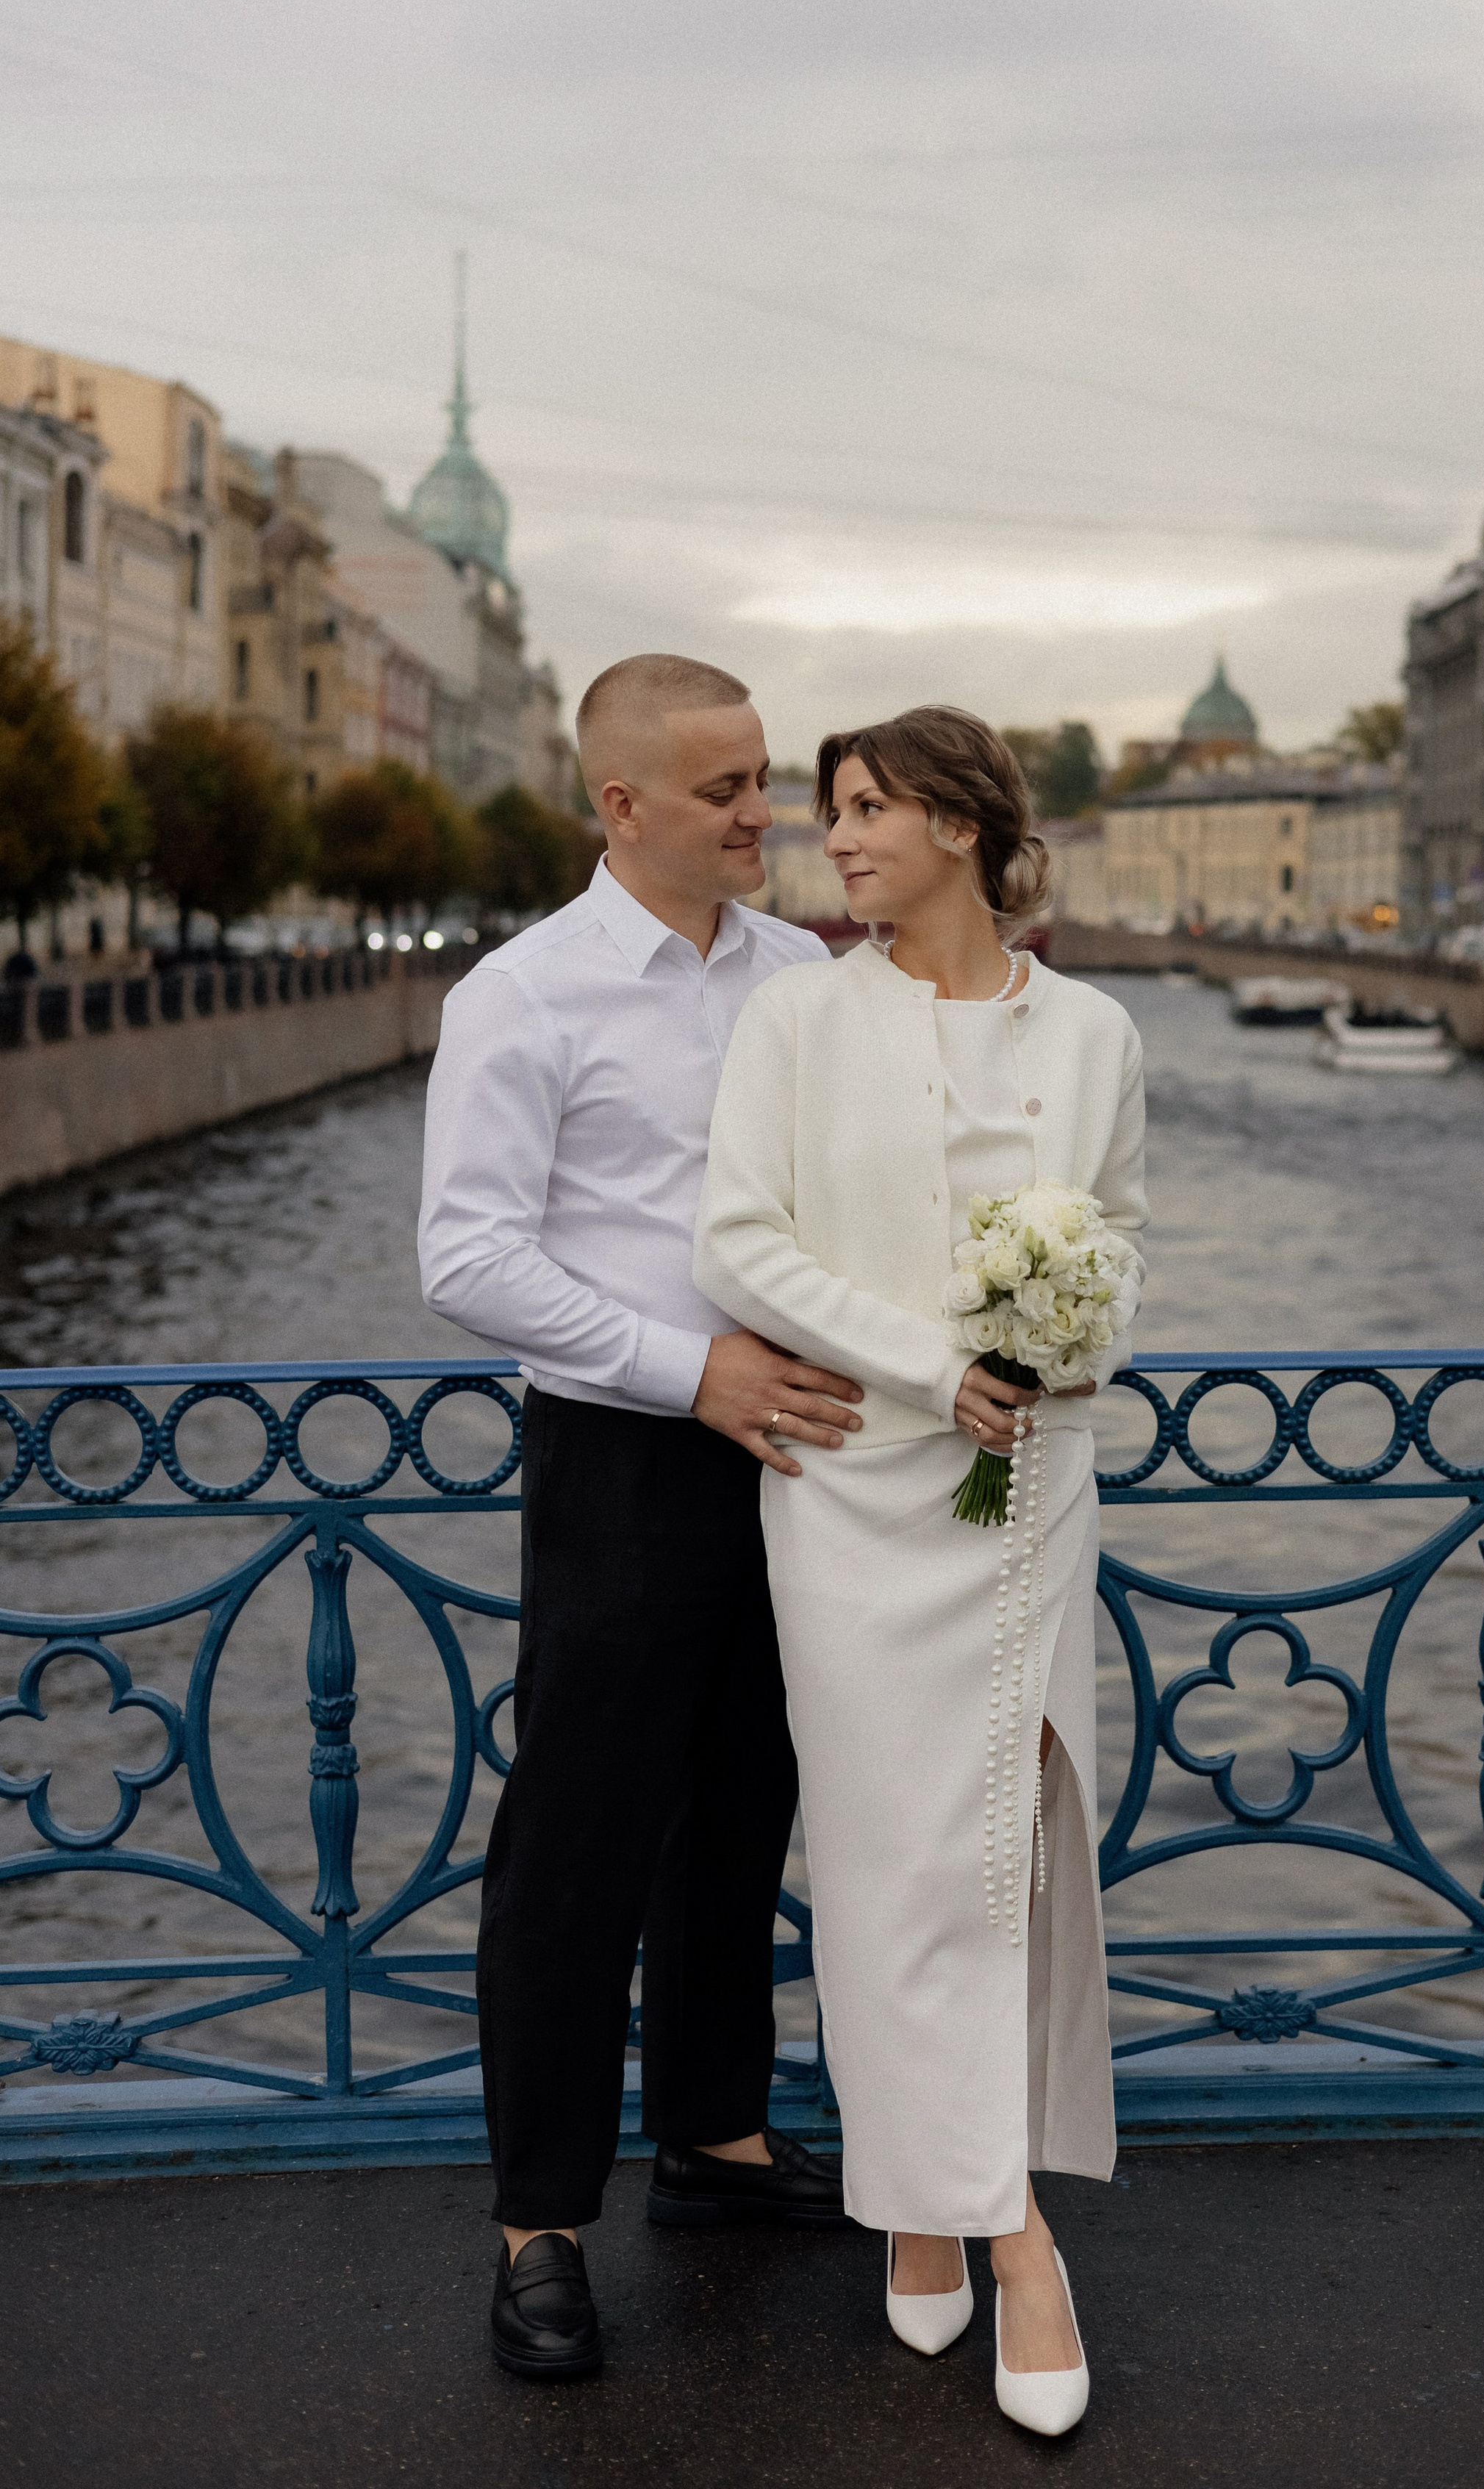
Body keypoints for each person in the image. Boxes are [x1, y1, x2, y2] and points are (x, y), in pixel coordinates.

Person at [695, 704, 1147, 2438]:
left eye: (870, 808)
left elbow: (1116, 1238)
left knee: (1010, 1846)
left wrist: (1064, 1344)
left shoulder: (1095, 1032)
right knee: (891, 1861)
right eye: (831, 812)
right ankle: (1006, 2232)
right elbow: (737, 1236)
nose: (837, 840)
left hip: (1031, 1487)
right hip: (856, 1486)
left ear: (964, 826)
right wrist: (925, 1366)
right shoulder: (797, 1016)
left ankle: (921, 2197)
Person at [418, 653, 865, 2383]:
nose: (769, 815)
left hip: (800, 1447)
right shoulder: (521, 996)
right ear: (622, 807)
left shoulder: (804, 975)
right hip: (623, 1456)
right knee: (575, 1852)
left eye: (765, 780)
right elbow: (465, 1257)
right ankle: (536, 2227)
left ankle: (714, 2142)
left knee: (747, 1800)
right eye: (728, 790)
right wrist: (691, 1373)